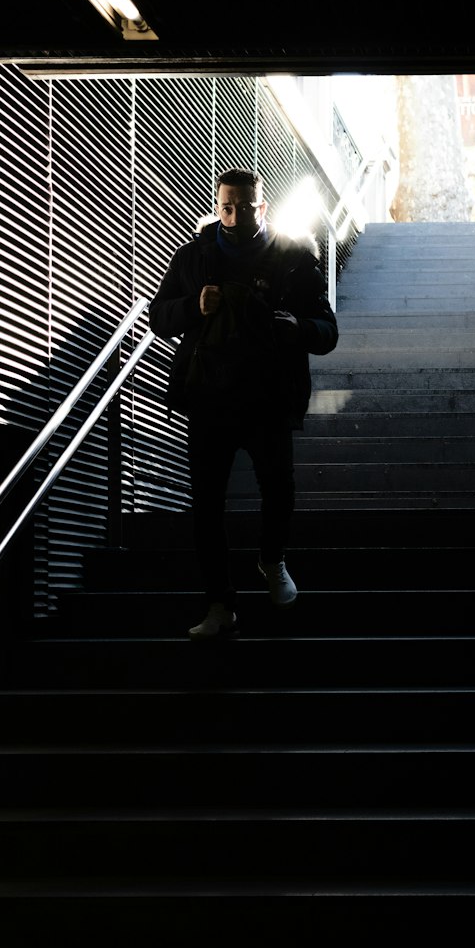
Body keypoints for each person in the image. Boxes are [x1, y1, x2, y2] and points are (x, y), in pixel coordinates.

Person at [148, 168, 339, 639]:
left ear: (262, 206)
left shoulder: (293, 258)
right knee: (206, 505)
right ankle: (219, 604)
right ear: (217, 207)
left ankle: (271, 560)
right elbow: (158, 317)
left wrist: (298, 326)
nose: (234, 215)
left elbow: (328, 329)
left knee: (280, 488)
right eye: (226, 206)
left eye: (245, 206)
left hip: (268, 397)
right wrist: (195, 304)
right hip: (209, 398)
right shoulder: (193, 257)